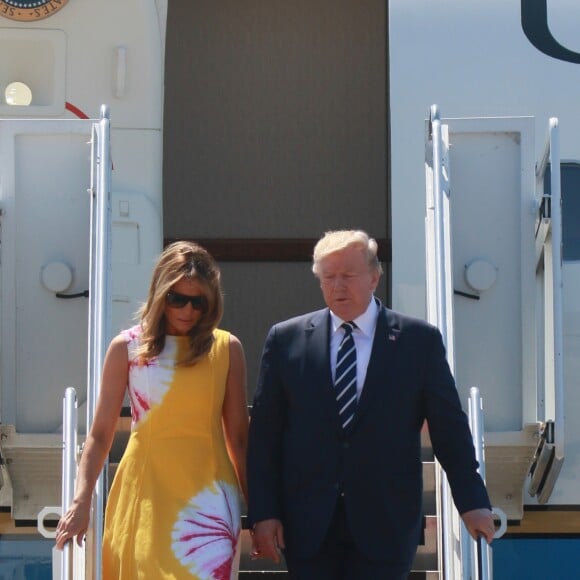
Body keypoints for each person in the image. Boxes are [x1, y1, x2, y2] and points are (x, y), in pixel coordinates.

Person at [246, 229, 495, 579]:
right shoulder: (286, 340)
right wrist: (264, 514)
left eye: (348, 276)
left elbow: (449, 428)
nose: (337, 286)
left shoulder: (417, 342)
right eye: (328, 277)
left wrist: (472, 503)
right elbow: (265, 437)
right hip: (308, 526)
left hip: (387, 525)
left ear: (375, 277)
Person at [55, 241, 249, 579]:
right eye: (177, 299)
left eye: (198, 302)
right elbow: (100, 436)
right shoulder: (127, 348)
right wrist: (81, 500)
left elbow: (240, 441)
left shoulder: (227, 349)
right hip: (144, 496)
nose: (187, 310)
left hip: (209, 504)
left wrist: (260, 514)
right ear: (160, 295)